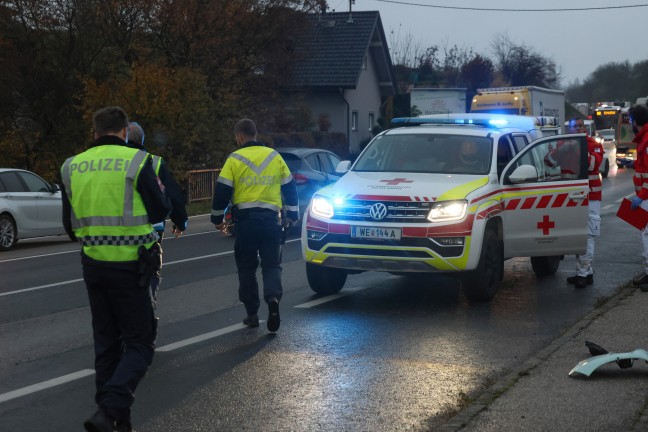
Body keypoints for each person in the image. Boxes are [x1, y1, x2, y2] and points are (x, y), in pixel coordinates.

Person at [60, 106, 171, 432]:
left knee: (107, 346)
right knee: (140, 344)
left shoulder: (72, 166)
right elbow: (159, 209)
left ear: (95, 132)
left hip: (93, 265)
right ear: (125, 132)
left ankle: (114, 421)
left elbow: (69, 226)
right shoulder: (137, 162)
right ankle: (109, 412)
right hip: (131, 267)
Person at [211, 118, 298, 332]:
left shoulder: (234, 159)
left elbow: (222, 191)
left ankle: (251, 313)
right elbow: (289, 187)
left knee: (247, 268)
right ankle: (273, 300)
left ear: (239, 136)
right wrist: (292, 215)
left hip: (246, 223)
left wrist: (217, 219)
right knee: (271, 265)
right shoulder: (274, 156)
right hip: (271, 221)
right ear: (255, 134)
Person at [127, 121, 188, 303]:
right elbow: (173, 195)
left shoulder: (115, 162)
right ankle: (149, 306)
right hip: (153, 229)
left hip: (120, 231)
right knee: (149, 271)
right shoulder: (154, 161)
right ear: (143, 140)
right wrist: (180, 221)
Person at [547, 117, 603, 288]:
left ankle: (583, 273)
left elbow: (592, 164)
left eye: (580, 126)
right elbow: (548, 162)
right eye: (574, 126)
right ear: (569, 129)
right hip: (571, 197)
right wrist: (561, 149)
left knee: (588, 235)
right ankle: (586, 272)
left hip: (590, 196)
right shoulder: (563, 144)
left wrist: (577, 147)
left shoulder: (594, 145)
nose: (578, 128)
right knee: (577, 235)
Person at [628, 105, 648, 289]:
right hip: (644, 197)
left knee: (647, 235)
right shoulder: (644, 140)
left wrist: (641, 196)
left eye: (630, 119)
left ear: (635, 121)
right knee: (644, 234)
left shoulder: (647, 140)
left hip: (646, 197)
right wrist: (633, 163)